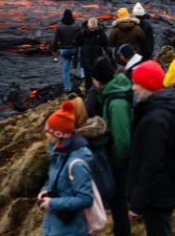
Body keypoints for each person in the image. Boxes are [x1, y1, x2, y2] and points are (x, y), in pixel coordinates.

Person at [128, 62, 175, 236]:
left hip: (157, 194)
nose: (133, 88)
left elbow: (152, 164)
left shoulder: (156, 119)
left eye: (136, 83)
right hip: (164, 189)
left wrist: (138, 202)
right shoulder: (165, 109)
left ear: (146, 84)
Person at [37, 101, 95, 236]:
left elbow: (86, 199)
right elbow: (54, 182)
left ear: (58, 134)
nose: (45, 133)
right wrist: (45, 190)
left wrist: (53, 203)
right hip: (55, 227)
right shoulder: (58, 154)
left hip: (70, 230)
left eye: (48, 130)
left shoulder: (77, 164)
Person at [92, 58, 133, 236]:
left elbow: (122, 141)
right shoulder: (111, 94)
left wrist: (115, 163)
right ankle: (119, 229)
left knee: (118, 200)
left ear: (99, 80)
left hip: (120, 161)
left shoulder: (116, 103)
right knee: (117, 200)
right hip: (118, 160)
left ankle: (123, 232)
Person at [75, 18, 111, 90]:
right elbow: (75, 44)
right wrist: (75, 58)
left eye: (94, 28)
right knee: (88, 83)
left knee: (98, 82)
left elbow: (105, 45)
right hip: (86, 62)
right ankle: (88, 96)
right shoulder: (82, 33)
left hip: (97, 62)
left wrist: (111, 57)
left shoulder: (100, 33)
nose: (93, 30)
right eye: (91, 28)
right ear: (88, 26)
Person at [54, 9, 80, 92]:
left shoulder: (59, 26)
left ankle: (68, 88)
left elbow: (55, 40)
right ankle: (84, 81)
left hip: (64, 50)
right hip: (74, 50)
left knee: (66, 70)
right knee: (83, 64)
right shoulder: (76, 25)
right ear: (71, 15)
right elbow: (81, 37)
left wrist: (54, 49)